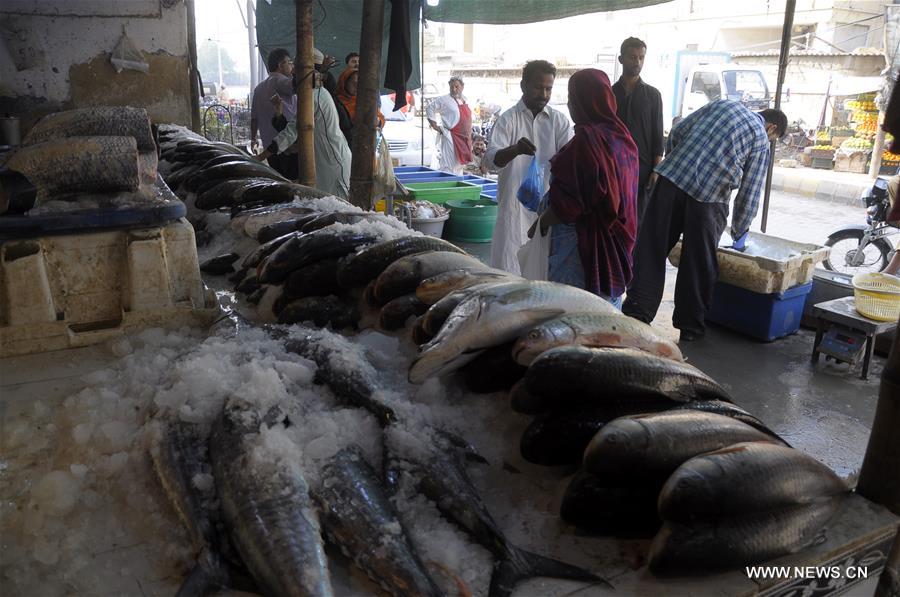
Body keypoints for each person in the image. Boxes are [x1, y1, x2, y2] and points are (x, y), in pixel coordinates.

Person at [622, 100, 787, 342]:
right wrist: (740, 232)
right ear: (771, 128)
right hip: (710, 198)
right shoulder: (761, 139)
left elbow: (677, 132)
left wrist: (679, 163)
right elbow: (749, 193)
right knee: (698, 263)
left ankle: (637, 313)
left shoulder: (722, 105)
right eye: (774, 138)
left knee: (651, 250)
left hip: (670, 181)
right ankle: (690, 328)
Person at [530, 69, 639, 307]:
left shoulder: (587, 142)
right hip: (616, 242)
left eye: (572, 97)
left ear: (584, 100)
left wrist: (541, 223)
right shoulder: (623, 138)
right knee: (604, 317)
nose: (569, 104)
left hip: (582, 247)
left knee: (573, 317)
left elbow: (572, 204)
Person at [484, 60, 573, 274]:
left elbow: (571, 164)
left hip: (547, 213)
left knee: (542, 278)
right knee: (508, 274)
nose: (543, 94)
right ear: (523, 85)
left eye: (548, 88)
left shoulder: (559, 122)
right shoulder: (507, 120)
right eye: (537, 87)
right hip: (513, 213)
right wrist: (514, 150)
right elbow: (489, 161)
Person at [256, 72, 352, 199]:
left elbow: (290, 132)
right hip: (326, 160)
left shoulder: (312, 98)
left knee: (337, 205)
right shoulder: (320, 93)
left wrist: (260, 157)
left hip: (333, 161)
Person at [611, 37, 664, 227]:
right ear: (621, 59)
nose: (637, 62)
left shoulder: (652, 95)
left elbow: (658, 135)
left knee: (638, 220)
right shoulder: (610, 93)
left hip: (642, 169)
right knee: (613, 216)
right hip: (613, 166)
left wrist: (656, 170)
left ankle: (634, 257)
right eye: (633, 57)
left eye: (641, 57)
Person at [250, 48, 296, 178]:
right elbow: (296, 85)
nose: (292, 66)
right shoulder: (279, 81)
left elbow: (254, 119)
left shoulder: (258, 89)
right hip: (288, 145)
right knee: (293, 183)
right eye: (290, 63)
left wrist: (253, 138)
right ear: (280, 65)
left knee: (279, 179)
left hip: (269, 147)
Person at [426, 76, 473, 175]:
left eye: (456, 87)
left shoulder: (464, 99)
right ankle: (447, 185)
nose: (454, 89)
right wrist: (435, 126)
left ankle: (457, 185)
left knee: (459, 165)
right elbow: (430, 108)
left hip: (464, 138)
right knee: (449, 165)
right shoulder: (444, 99)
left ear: (462, 87)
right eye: (451, 87)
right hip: (450, 136)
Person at [335, 68, 385, 147]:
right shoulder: (335, 102)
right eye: (354, 83)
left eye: (360, 84)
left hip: (364, 147)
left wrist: (377, 121)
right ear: (344, 83)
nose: (357, 87)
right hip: (342, 146)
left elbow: (380, 118)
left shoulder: (366, 101)